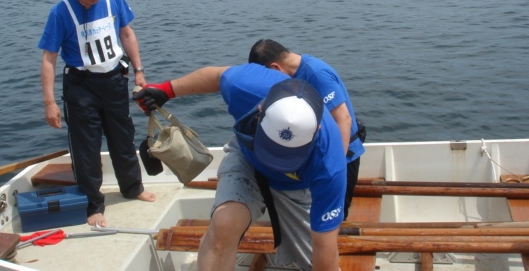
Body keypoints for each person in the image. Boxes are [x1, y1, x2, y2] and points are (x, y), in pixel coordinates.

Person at [134, 64, 347, 271]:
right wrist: (166, 90)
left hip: (295, 185)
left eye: (286, 154)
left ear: (317, 130)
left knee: (317, 261)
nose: (275, 161)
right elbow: (217, 76)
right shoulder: (245, 85)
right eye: (271, 147)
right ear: (260, 110)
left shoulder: (330, 165)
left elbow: (324, 245)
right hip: (247, 158)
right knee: (224, 224)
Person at [39, 0, 156, 227]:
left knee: (123, 137)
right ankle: (93, 203)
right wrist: (49, 103)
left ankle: (132, 187)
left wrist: (139, 70)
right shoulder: (60, 13)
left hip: (115, 80)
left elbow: (126, 33)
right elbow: (48, 58)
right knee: (86, 148)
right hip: (81, 86)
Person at [248, 39, 365, 219]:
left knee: (334, 217)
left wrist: (336, 167)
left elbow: (343, 119)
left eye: (267, 76)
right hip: (316, 155)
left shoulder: (316, 74)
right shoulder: (292, 74)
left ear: (275, 67)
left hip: (342, 155)